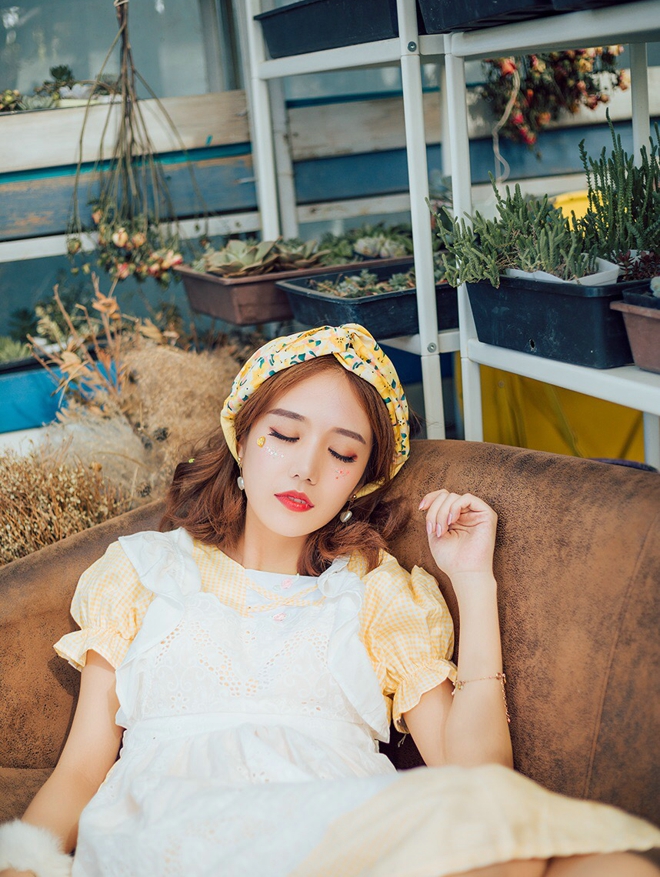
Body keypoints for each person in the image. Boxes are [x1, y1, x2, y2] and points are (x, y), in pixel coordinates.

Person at [0, 324, 658, 877]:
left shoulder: (373, 590)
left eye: (341, 453)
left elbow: (479, 779)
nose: (306, 468)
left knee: (608, 865)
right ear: (241, 436)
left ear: (361, 478)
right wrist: (22, 864)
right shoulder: (143, 572)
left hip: (348, 831)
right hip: (181, 833)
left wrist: (473, 582)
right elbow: (81, 768)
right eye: (285, 435)